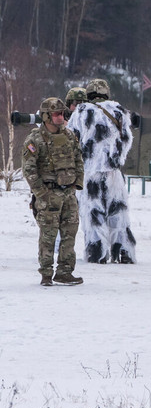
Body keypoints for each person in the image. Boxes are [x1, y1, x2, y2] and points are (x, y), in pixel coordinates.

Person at [67, 78, 136, 264]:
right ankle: (123, 251)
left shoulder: (81, 111)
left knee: (93, 212)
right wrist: (116, 158)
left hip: (90, 171)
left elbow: (71, 140)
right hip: (113, 172)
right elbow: (127, 140)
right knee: (118, 210)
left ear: (88, 94)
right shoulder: (120, 111)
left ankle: (97, 252)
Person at [22, 97, 84, 286]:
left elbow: (78, 160)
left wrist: (76, 184)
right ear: (47, 116)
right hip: (49, 195)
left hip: (68, 194)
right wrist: (42, 193)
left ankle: (65, 271)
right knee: (48, 235)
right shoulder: (35, 139)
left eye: (62, 113)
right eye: (57, 114)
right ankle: (46, 273)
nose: (61, 117)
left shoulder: (69, 136)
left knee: (70, 233)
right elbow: (28, 169)